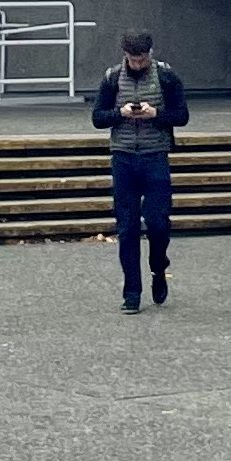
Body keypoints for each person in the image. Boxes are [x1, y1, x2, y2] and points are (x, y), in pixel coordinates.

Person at [90, 25, 188, 311]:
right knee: (128, 228)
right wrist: (119, 114)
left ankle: (159, 268)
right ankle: (132, 292)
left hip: (155, 156)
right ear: (125, 55)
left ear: (150, 54)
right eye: (133, 60)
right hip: (122, 157)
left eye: (142, 59)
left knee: (158, 223)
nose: (138, 64)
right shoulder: (111, 78)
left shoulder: (167, 77)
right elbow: (97, 117)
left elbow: (182, 115)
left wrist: (156, 114)